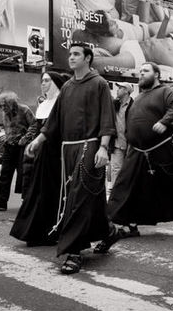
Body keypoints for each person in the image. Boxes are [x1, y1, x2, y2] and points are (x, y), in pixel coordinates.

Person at [25, 42, 118, 275]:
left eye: (77, 54)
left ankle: (74, 252)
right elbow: (54, 120)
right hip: (67, 149)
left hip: (90, 146)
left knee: (77, 196)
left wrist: (104, 148)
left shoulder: (99, 84)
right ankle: (108, 232)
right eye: (70, 54)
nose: (71, 57)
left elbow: (108, 118)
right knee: (86, 197)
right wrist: (38, 141)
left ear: (88, 58)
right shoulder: (66, 87)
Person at [97, 61, 173, 252]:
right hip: (137, 151)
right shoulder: (139, 96)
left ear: (156, 75)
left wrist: (164, 122)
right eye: (140, 71)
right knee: (127, 186)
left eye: (145, 71)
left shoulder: (165, 91)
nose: (141, 74)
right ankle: (130, 224)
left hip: (163, 147)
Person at [11, 71, 68, 246]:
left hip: (56, 154)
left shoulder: (62, 102)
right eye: (42, 81)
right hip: (40, 153)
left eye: (47, 80)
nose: (43, 84)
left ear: (56, 82)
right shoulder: (43, 105)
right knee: (37, 191)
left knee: (54, 191)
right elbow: (37, 129)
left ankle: (52, 231)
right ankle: (35, 232)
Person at [0, 91, 36, 212]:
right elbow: (9, 129)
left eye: (5, 105)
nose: (3, 108)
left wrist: (25, 138)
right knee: (4, 174)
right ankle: (1, 202)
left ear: (12, 103)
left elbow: (34, 125)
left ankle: (26, 203)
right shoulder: (4, 113)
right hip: (9, 146)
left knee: (23, 175)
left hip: (22, 146)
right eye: (1, 105)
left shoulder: (24, 110)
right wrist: (6, 137)